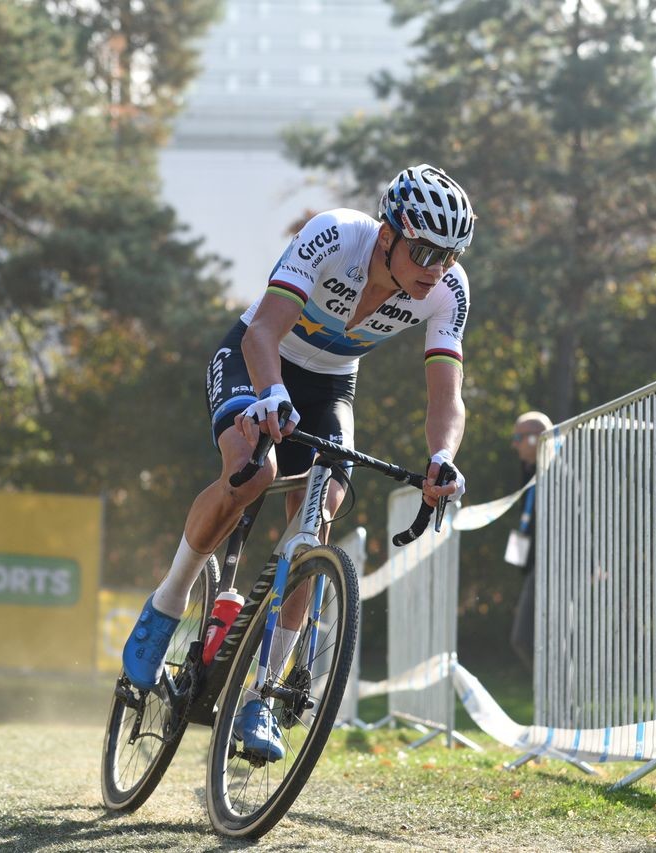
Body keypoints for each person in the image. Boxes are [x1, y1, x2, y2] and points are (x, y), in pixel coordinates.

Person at [123, 164, 476, 761]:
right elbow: (262, 329)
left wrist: (442, 457)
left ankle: (264, 691)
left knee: (322, 507)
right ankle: (167, 603)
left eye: (448, 255)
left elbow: (447, 395)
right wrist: (270, 394)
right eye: (422, 250)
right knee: (251, 474)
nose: (434, 267)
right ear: (388, 234)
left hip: (330, 387)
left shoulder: (448, 290)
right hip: (257, 358)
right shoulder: (335, 235)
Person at [508, 411, 552, 672]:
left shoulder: (557, 474)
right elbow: (523, 519)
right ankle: (555, 707)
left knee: (525, 639)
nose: (514, 444)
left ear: (536, 440)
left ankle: (562, 708)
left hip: (553, 569)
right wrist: (517, 562)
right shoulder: (530, 474)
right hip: (534, 569)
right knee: (529, 641)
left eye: (519, 437)